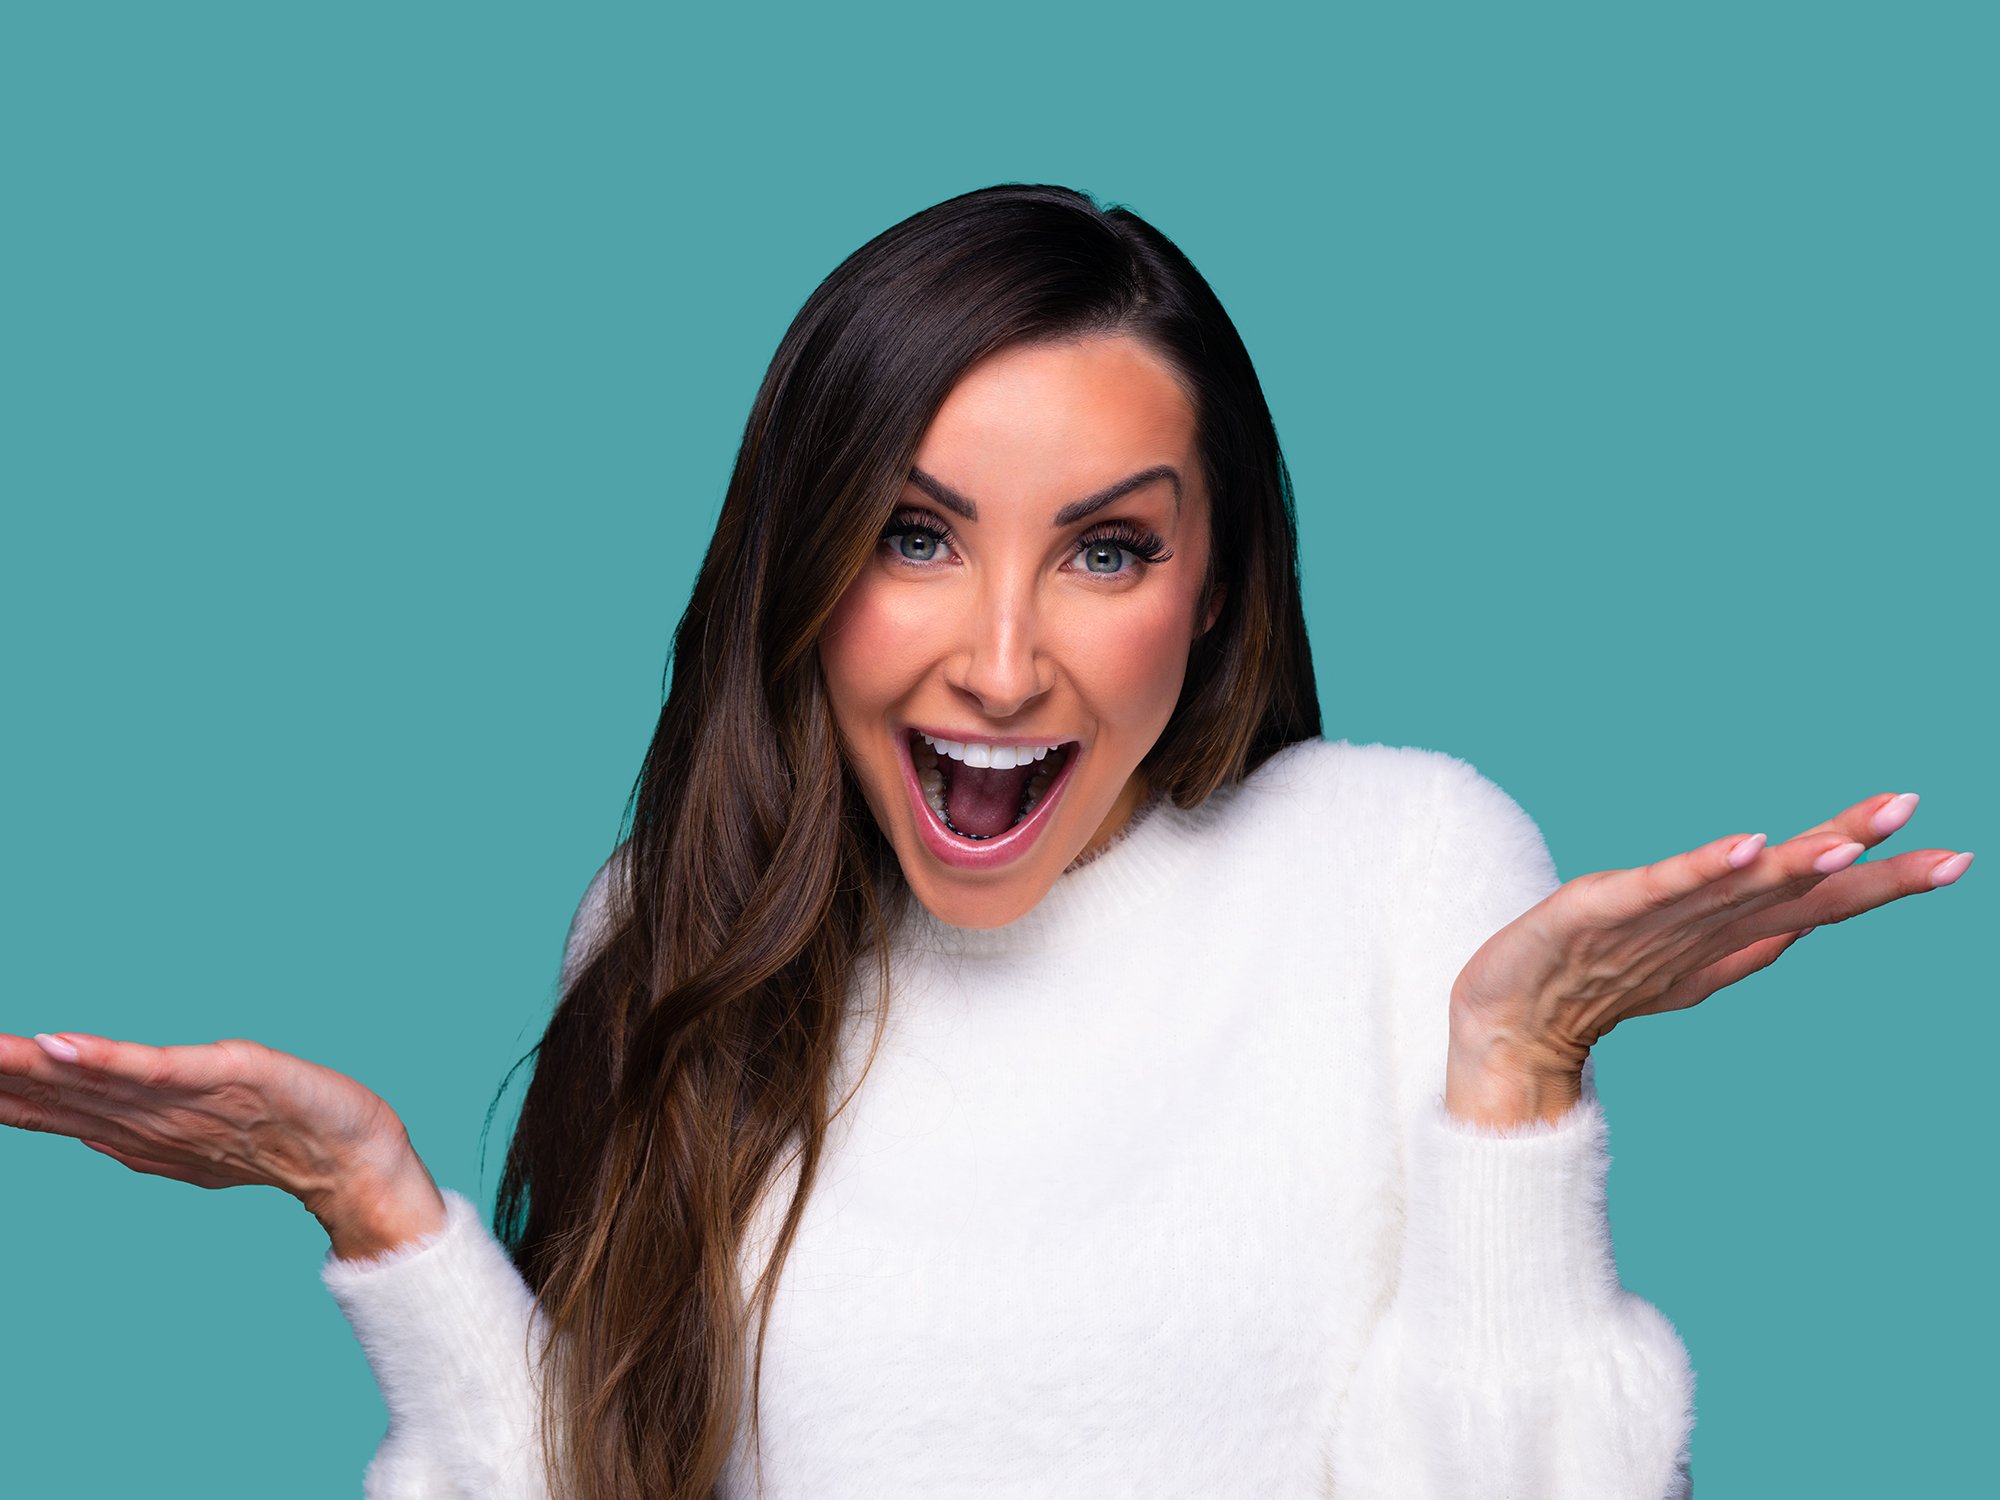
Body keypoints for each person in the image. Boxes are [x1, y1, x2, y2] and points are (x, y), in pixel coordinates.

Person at [0, 184, 1973, 1500]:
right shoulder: (681, 927)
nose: (1005, 661)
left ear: (1212, 588)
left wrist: (1517, 1074)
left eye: (1107, 550)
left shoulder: (1396, 869)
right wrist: (376, 1211)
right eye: (915, 536)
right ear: (802, 562)